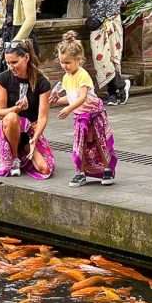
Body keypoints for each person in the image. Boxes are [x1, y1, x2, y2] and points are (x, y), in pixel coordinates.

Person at [50, 30, 116, 187]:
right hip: (80, 116)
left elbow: (82, 97)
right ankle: (80, 172)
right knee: (79, 145)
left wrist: (68, 109)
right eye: (62, 62)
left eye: (68, 62)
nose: (64, 66)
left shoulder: (83, 75)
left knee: (101, 143)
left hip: (94, 115)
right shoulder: (66, 78)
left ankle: (108, 169)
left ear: (78, 60)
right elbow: (72, 97)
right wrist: (56, 100)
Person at [79, 0, 139, 105]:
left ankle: (114, 93)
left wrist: (124, 0)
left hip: (114, 21)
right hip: (98, 23)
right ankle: (121, 85)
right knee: (101, 57)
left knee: (114, 57)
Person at [0, 39, 55, 179]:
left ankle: (26, 150)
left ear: (26, 58)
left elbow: (43, 117)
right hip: (10, 126)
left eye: (14, 62)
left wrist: (35, 138)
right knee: (11, 117)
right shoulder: (3, 78)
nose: (11, 67)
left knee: (45, 169)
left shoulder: (42, 82)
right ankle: (15, 158)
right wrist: (16, 108)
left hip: (30, 130)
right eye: (8, 63)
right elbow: (0, 113)